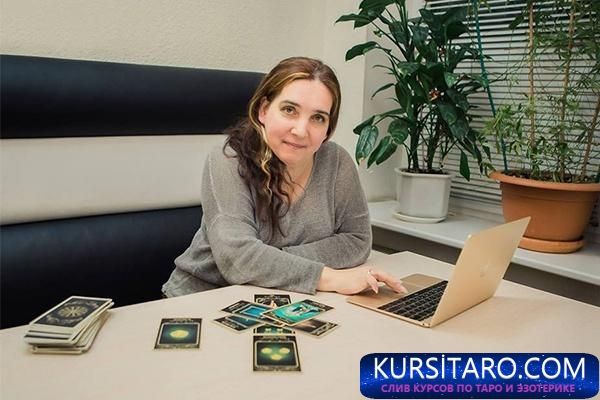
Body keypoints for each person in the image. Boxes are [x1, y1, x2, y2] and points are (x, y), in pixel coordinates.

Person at [162, 56, 406, 298]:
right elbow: (237, 259)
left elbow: (358, 240)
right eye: (289, 110)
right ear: (263, 110)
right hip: (202, 298)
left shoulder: (337, 161)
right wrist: (327, 277)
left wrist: (270, 260)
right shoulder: (228, 159)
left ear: (328, 129)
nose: (300, 130)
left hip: (281, 299)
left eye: (318, 118)